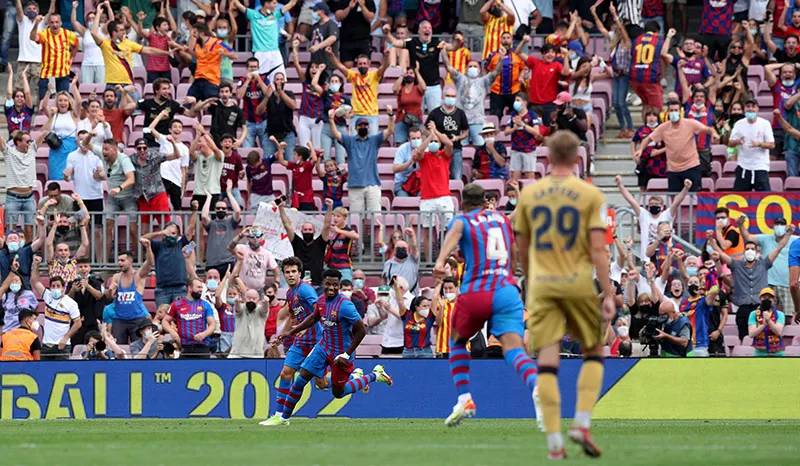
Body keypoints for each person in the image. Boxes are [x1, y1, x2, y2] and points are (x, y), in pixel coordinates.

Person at [514, 131, 615, 458]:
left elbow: (522, 247)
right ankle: (582, 421)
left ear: (547, 156)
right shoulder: (589, 194)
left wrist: (532, 282)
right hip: (577, 281)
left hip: (542, 284)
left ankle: (554, 439)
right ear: (576, 158)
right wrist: (609, 292)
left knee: (546, 359)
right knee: (594, 351)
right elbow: (599, 249)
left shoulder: (530, 195)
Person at [433, 182, 540, 428]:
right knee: (514, 348)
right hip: (506, 290)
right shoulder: (501, 219)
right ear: (484, 201)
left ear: (462, 203)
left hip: (476, 291)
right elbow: (512, 255)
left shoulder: (463, 220)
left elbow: (453, 236)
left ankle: (464, 398)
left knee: (457, 340)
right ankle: (536, 385)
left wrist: (440, 261)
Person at [262, 269, 393, 426]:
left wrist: (347, 354)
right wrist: (290, 332)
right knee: (300, 380)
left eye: (335, 285)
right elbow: (313, 318)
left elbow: (362, 330)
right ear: (323, 284)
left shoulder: (345, 306)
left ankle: (374, 375)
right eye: (328, 284)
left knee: (339, 392)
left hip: (341, 353)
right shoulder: (322, 300)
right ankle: (283, 418)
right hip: (323, 348)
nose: (331, 287)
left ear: (339, 285)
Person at [263, 256, 321, 421]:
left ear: (299, 273)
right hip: (301, 341)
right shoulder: (290, 293)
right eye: (287, 272)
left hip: (317, 340)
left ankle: (354, 378)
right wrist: (283, 334)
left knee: (321, 383)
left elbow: (319, 312)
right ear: (283, 274)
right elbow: (292, 316)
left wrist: (306, 327)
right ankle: (279, 416)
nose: (290, 275)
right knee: (286, 373)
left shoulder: (306, 290)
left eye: (294, 272)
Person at [712, 229, 794, 342]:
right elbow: (721, 254)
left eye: (752, 249)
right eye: (747, 249)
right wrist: (711, 240)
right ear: (744, 251)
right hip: (743, 308)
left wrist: (788, 234)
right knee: (744, 338)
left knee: (763, 338)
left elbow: (779, 247)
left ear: (757, 252)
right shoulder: (736, 265)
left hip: (760, 307)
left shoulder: (764, 264)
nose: (750, 251)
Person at [633, 100, 719, 192]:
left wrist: (714, 134)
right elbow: (648, 139)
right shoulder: (663, 127)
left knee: (693, 196)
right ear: (668, 112)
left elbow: (708, 129)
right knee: (674, 198)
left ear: (680, 111)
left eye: (676, 110)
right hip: (673, 169)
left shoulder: (690, 123)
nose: (674, 113)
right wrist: (640, 149)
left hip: (691, 166)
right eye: (671, 110)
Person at [329, 106, 395, 213]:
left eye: (365, 125)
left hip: (372, 184)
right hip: (355, 184)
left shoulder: (374, 140)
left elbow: (389, 131)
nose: (363, 127)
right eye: (360, 125)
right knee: (356, 218)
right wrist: (331, 120)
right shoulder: (349, 141)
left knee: (375, 217)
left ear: (369, 128)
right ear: (355, 128)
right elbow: (335, 134)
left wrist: (391, 116)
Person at [84, 137, 137, 261]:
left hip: (128, 197)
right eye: (103, 149)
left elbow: (131, 179)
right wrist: (90, 134)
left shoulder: (124, 159)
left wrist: (120, 188)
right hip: (113, 198)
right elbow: (85, 144)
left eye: (106, 149)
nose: (104, 152)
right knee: (107, 225)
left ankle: (137, 259)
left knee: (133, 228)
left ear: (115, 150)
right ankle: (106, 262)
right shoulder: (103, 155)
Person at [616, 175, 692, 261]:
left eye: (656, 204)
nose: (654, 206)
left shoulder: (666, 215)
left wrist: (686, 188)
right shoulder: (644, 215)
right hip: (647, 259)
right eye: (651, 204)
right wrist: (620, 185)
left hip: (665, 258)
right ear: (648, 207)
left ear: (662, 207)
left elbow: (677, 202)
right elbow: (630, 200)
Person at [739, 215, 797, 319]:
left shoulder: (795, 240)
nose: (779, 226)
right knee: (767, 314)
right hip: (769, 284)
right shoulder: (766, 238)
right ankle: (768, 335)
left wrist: (792, 230)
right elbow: (748, 238)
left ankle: (785, 336)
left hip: (787, 284)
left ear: (786, 226)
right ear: (773, 226)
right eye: (777, 224)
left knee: (789, 317)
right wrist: (741, 225)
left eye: (782, 224)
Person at [92, 16, 173, 90]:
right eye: (121, 30)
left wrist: (167, 53)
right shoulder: (105, 44)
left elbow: (149, 50)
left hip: (128, 83)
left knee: (135, 105)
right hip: (112, 84)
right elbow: (93, 33)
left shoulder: (129, 43)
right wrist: (98, 13)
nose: (124, 32)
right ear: (114, 33)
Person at [443, 47, 500, 145]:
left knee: (480, 148)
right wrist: (443, 52)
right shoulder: (460, 78)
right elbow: (448, 67)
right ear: (465, 69)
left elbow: (496, 72)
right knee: (459, 148)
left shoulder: (484, 81)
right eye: (470, 66)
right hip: (460, 121)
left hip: (477, 121)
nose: (472, 68)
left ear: (479, 70)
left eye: (475, 66)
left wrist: (501, 58)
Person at [327, 46, 389, 134]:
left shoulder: (374, 75)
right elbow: (340, 66)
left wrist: (386, 56)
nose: (362, 65)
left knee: (372, 143)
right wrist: (331, 54)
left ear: (369, 64)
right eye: (360, 64)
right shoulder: (354, 75)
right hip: (356, 115)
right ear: (357, 65)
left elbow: (384, 67)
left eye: (364, 63)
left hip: (371, 115)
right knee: (354, 144)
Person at [30, 256, 81, 360]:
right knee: (45, 373)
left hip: (62, 346)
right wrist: (36, 265)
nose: (55, 288)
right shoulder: (47, 296)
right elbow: (35, 282)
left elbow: (78, 323)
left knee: (62, 374)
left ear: (63, 288)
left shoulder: (71, 303)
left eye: (58, 286)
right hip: (46, 345)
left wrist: (65, 338)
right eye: (53, 286)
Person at [232, 0, 299, 79]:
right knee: (259, 82)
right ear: (266, 3)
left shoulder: (276, 15)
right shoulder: (253, 14)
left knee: (280, 80)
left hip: (275, 52)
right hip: (260, 53)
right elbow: (236, 3)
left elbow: (292, 3)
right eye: (274, 3)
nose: (276, 5)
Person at [2, 130, 48, 241]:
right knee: (11, 230)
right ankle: (10, 256)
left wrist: (51, 116)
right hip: (13, 197)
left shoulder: (31, 151)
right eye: (27, 141)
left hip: (29, 197)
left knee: (30, 229)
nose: (30, 143)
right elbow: (1, 141)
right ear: (18, 142)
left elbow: (43, 132)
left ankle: (28, 256)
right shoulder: (9, 152)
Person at [104, 246, 153, 344]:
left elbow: (149, 263)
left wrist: (147, 248)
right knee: (119, 350)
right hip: (119, 320)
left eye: (122, 260)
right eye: (118, 260)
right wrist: (110, 290)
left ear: (130, 262)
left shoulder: (138, 276)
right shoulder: (116, 277)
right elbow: (108, 299)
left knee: (138, 349)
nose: (119, 263)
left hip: (137, 319)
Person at [278, 200, 332, 286]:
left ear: (314, 231)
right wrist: (281, 208)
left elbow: (327, 226)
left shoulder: (320, 242)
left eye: (310, 230)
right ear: (301, 231)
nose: (308, 232)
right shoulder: (297, 242)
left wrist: (329, 208)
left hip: (318, 284)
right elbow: (287, 226)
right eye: (305, 230)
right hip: (299, 284)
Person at [163, 277, 218, 358]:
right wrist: (172, 332)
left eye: (201, 287)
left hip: (202, 346)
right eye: (198, 287)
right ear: (190, 288)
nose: (201, 290)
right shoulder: (176, 304)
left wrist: (204, 334)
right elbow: (165, 321)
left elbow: (212, 324)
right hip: (184, 346)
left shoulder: (205, 305)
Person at [147, 111, 190, 212]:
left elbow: (183, 169)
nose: (177, 129)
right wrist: (160, 115)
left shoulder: (184, 148)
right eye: (175, 127)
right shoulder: (164, 139)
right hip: (163, 178)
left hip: (176, 180)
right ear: (170, 130)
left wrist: (183, 188)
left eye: (180, 127)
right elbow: (150, 129)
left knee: (178, 209)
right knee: (161, 208)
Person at [629, 23, 674, 121]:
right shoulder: (658, 40)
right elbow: (663, 53)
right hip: (650, 77)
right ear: (657, 31)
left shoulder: (636, 40)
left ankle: (645, 129)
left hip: (635, 78)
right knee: (657, 108)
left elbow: (631, 55)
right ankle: (654, 132)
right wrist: (668, 37)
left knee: (646, 104)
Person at [727, 99, 774, 191]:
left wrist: (759, 144)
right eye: (748, 107)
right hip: (743, 165)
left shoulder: (765, 124)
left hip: (760, 166)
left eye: (753, 107)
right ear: (744, 109)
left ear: (757, 109)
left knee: (764, 198)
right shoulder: (738, 124)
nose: (750, 109)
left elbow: (772, 145)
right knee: (738, 197)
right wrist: (737, 141)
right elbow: (730, 143)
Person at [31, 10, 78, 101]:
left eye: (57, 22)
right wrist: (36, 24)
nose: (54, 24)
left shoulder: (67, 34)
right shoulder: (44, 33)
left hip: (63, 73)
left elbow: (76, 45)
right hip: (47, 74)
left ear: (61, 23)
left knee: (63, 101)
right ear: (48, 23)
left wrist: (72, 58)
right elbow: (33, 38)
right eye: (52, 22)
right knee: (44, 101)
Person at [10, 0, 48, 106]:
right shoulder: (22, 21)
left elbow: (51, 12)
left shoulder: (43, 22)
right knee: (19, 89)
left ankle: (40, 110)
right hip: (23, 60)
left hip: (38, 61)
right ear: (25, 11)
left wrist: (53, 2)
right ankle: (19, 110)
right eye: (29, 9)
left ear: (38, 11)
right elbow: (18, 10)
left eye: (34, 9)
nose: (32, 10)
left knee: (40, 88)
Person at [426, 87, 468, 181]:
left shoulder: (460, 113)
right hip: (438, 150)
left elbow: (466, 133)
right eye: (448, 96)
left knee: (457, 177)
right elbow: (425, 130)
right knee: (438, 177)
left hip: (456, 148)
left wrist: (457, 137)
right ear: (443, 97)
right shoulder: (435, 112)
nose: (450, 98)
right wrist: (435, 136)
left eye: (453, 96)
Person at [41, 82, 81, 181]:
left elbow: (79, 102)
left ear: (69, 102)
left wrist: (74, 86)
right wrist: (48, 91)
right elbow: (44, 106)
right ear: (57, 102)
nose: (63, 103)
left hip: (71, 148)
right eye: (60, 101)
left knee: (71, 177)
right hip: (56, 149)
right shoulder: (54, 114)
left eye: (65, 100)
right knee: (56, 177)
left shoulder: (73, 114)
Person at [202, 182, 242, 278]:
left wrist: (229, 193)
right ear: (215, 210)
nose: (221, 210)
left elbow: (237, 211)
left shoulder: (231, 223)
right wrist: (209, 197)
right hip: (212, 263)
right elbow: (204, 216)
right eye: (218, 208)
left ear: (227, 210)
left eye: (223, 208)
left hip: (228, 262)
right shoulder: (212, 224)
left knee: (229, 290)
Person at [255, 72, 297, 162]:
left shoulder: (289, 93)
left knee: (290, 161)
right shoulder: (269, 95)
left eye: (281, 79)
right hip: (270, 135)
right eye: (277, 79)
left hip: (287, 134)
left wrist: (281, 92)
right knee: (266, 162)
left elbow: (293, 106)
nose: (279, 82)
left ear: (284, 81)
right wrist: (266, 97)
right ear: (273, 81)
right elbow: (258, 112)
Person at [228, 226, 281, 292]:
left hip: (260, 291)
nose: (255, 238)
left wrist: (276, 284)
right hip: (242, 289)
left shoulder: (267, 253)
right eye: (252, 236)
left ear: (261, 238)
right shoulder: (242, 248)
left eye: (258, 236)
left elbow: (277, 272)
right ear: (248, 238)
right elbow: (230, 247)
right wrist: (240, 235)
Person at [67, 257, 105, 346]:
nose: (83, 269)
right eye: (80, 267)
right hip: (76, 321)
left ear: (89, 268)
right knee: (76, 346)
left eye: (85, 266)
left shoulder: (96, 282)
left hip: (91, 321)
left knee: (95, 346)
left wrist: (88, 286)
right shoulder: (72, 283)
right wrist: (72, 290)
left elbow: (99, 296)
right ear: (76, 269)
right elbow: (67, 300)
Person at [228, 277, 270, 359]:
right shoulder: (241, 307)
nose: (251, 300)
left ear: (258, 300)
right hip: (237, 352)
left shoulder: (260, 309)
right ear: (244, 298)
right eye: (249, 298)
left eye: (254, 298)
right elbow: (238, 309)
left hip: (256, 353)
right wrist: (236, 302)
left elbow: (264, 310)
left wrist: (266, 302)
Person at [503, 93, 541, 180]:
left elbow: (536, 132)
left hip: (528, 149)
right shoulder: (513, 115)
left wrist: (523, 125)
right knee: (515, 178)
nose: (515, 102)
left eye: (518, 100)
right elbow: (506, 132)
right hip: (516, 149)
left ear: (524, 103)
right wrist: (515, 128)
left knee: (530, 176)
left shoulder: (532, 115)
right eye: (515, 100)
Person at [329, 0, 375, 68]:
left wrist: (362, 6)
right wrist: (349, 8)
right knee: (347, 69)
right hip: (347, 40)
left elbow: (370, 18)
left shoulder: (368, 1)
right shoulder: (343, 1)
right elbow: (338, 17)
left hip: (363, 39)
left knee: (364, 66)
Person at [237, 57, 271, 150]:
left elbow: (268, 94)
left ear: (258, 68)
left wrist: (259, 80)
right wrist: (247, 81)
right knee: (247, 150)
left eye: (255, 67)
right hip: (248, 122)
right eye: (251, 67)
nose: (253, 69)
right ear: (247, 69)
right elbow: (239, 96)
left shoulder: (264, 79)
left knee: (266, 150)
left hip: (263, 120)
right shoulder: (242, 81)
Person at [391, 65, 425, 144]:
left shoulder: (417, 88)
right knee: (400, 145)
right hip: (401, 119)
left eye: (411, 73)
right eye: (407, 73)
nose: (409, 75)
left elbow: (424, 88)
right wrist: (402, 75)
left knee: (417, 145)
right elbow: (395, 89)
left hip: (416, 120)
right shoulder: (401, 88)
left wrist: (417, 72)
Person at [324, 205, 360, 281]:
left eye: (338, 216)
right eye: (334, 216)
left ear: (344, 218)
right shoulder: (331, 229)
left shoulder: (347, 230)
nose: (335, 218)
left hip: (344, 267)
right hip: (331, 266)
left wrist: (339, 231)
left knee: (345, 288)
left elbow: (356, 236)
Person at [748, 288, 785, 357]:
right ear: (760, 300)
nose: (766, 300)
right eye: (764, 297)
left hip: (777, 352)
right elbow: (751, 334)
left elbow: (778, 332)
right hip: (760, 353)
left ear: (773, 300)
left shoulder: (780, 314)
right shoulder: (753, 314)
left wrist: (769, 321)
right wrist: (763, 324)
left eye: (769, 298)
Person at [5, 64, 34, 135]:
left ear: (24, 99)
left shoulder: (28, 110)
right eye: (17, 96)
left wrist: (24, 76)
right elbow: (9, 93)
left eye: (22, 97)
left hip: (26, 142)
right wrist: (11, 74)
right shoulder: (10, 110)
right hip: (12, 142)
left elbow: (27, 93)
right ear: (13, 99)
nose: (20, 98)